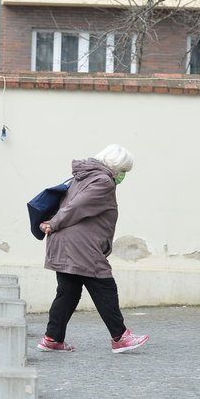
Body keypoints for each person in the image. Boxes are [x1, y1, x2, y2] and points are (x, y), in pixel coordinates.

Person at [36, 144, 149, 354]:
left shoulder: (83, 175)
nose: (123, 175)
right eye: (124, 170)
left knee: (68, 292)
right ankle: (120, 337)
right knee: (104, 285)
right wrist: (54, 223)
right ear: (116, 166)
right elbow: (77, 206)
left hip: (65, 242)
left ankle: (53, 338)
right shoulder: (103, 181)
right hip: (81, 245)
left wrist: (53, 223)